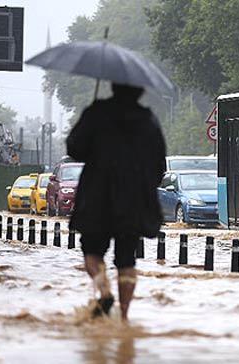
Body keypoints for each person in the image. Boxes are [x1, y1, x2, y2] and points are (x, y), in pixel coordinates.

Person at [66, 83, 166, 321]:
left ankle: (104, 291)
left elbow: (74, 148)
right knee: (126, 258)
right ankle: (123, 316)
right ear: (140, 91)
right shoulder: (148, 120)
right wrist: (143, 188)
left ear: (112, 87)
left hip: (96, 196)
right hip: (132, 201)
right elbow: (159, 164)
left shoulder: (97, 112)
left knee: (91, 250)